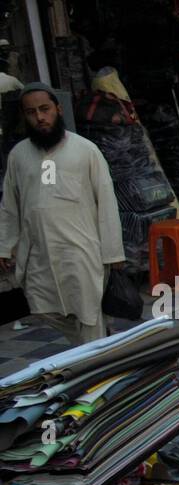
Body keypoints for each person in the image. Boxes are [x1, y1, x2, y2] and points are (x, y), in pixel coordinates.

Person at [0, 83, 125, 346]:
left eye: (45, 109)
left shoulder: (85, 150)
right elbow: (10, 205)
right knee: (44, 308)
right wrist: (5, 246)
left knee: (88, 317)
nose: (40, 117)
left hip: (81, 252)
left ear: (58, 109)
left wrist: (114, 254)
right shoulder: (18, 155)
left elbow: (106, 202)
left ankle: (96, 370)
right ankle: (90, 347)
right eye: (31, 112)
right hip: (38, 254)